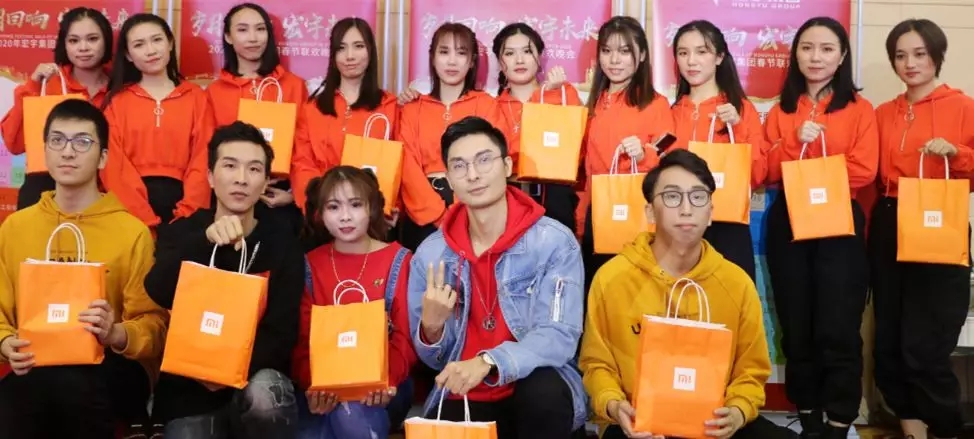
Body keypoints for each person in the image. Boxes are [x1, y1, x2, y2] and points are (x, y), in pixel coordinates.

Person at [579, 149, 795, 439]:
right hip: (637, 425)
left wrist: (737, 411)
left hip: (713, 424)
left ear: (711, 212)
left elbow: (751, 371)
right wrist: (615, 405)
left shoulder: (736, 284)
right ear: (649, 211)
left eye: (698, 196)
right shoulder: (612, 279)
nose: (686, 208)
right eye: (672, 196)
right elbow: (596, 364)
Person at [407, 116, 587, 438]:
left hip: (530, 387)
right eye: (459, 166)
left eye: (484, 160)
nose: (473, 175)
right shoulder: (431, 254)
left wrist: (489, 361)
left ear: (507, 166)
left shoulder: (554, 242)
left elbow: (559, 337)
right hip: (466, 394)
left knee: (543, 394)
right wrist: (431, 329)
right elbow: (436, 361)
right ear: (449, 179)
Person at [0, 99, 168, 438]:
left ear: (103, 158)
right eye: (57, 140)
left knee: (68, 383)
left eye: (82, 142)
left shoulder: (131, 232)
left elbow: (154, 327)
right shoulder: (16, 228)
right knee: (24, 393)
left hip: (111, 365)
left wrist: (115, 332)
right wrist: (5, 343)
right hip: (35, 363)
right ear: (44, 151)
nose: (68, 152)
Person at [143, 121, 304, 438]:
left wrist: (226, 368)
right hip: (189, 388)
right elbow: (157, 290)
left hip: (252, 379)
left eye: (254, 169)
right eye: (230, 166)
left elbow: (282, 333)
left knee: (267, 395)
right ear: (210, 176)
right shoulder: (185, 232)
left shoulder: (283, 242)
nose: (241, 178)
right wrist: (205, 241)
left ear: (265, 182)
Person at [763, 16, 878, 438]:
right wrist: (795, 141)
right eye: (807, 47)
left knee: (838, 325)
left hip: (839, 221)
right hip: (789, 220)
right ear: (795, 54)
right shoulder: (781, 110)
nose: (816, 57)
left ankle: (840, 419)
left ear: (842, 56)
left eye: (827, 48)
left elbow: (865, 169)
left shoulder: (860, 109)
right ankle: (808, 412)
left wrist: (814, 166)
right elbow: (763, 170)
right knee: (796, 323)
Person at [870, 19, 974, 439]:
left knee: (926, 344)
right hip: (890, 221)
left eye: (920, 54)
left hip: (938, 221)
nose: (910, 63)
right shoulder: (882, 113)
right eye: (900, 55)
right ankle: (912, 430)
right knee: (891, 340)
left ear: (937, 55)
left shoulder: (963, 107)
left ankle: (945, 429)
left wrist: (958, 153)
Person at [293, 166, 417, 439]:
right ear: (320, 213)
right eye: (334, 207)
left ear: (372, 208)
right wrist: (315, 385)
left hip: (386, 386)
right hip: (323, 388)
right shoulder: (310, 264)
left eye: (356, 204)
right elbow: (302, 341)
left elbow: (405, 338)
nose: (345, 216)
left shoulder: (399, 260)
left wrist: (385, 380)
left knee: (351, 411)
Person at [669, 20, 769, 281]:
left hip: (726, 225)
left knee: (728, 300)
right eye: (683, 53)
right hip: (679, 226)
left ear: (719, 57)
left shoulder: (741, 110)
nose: (691, 61)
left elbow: (758, 173)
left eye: (702, 52)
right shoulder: (670, 112)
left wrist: (738, 128)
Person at [581, 16, 675, 293]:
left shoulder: (656, 104)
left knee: (635, 295)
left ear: (642, 54)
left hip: (639, 213)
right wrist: (580, 219)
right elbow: (586, 168)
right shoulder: (594, 104)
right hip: (597, 214)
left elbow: (669, 153)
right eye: (607, 51)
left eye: (624, 51)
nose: (614, 60)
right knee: (597, 293)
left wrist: (645, 153)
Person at [292, 18, 400, 250]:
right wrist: (321, 208)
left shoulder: (390, 106)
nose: (350, 56)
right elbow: (302, 163)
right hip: (322, 220)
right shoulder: (312, 108)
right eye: (341, 48)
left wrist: (384, 207)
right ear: (333, 55)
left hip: (371, 220)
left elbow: (400, 163)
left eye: (358, 46)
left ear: (371, 51)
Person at [101, 13, 215, 229]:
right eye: (139, 44)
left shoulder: (197, 98)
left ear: (170, 43)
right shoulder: (117, 102)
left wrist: (188, 212)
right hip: (130, 211)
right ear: (128, 55)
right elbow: (113, 165)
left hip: (185, 209)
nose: (150, 50)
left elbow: (203, 158)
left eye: (157, 40)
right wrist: (142, 215)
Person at [396, 23, 501, 252]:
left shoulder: (486, 105)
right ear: (432, 58)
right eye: (444, 52)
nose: (452, 61)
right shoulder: (413, 108)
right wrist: (436, 214)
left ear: (472, 61)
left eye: (461, 53)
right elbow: (407, 164)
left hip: (473, 209)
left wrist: (460, 212)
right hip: (421, 214)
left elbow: (490, 160)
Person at [206, 2, 309, 235]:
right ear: (228, 37)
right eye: (243, 30)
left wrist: (294, 194)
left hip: (280, 198)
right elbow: (209, 150)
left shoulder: (293, 86)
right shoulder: (215, 92)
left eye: (260, 29)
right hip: (231, 197)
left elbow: (304, 146)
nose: (253, 38)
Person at [1, 8, 113, 210]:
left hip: (103, 194)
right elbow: (14, 143)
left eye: (92, 39)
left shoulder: (120, 88)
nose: (83, 47)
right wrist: (32, 86)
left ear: (106, 41)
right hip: (46, 191)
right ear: (64, 44)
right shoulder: (49, 84)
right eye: (74, 40)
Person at [490, 22, 583, 232]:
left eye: (527, 51)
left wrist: (550, 95)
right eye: (510, 53)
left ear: (539, 57)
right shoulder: (492, 107)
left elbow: (577, 150)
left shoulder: (563, 93)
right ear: (500, 62)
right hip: (508, 198)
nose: (519, 60)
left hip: (556, 196)